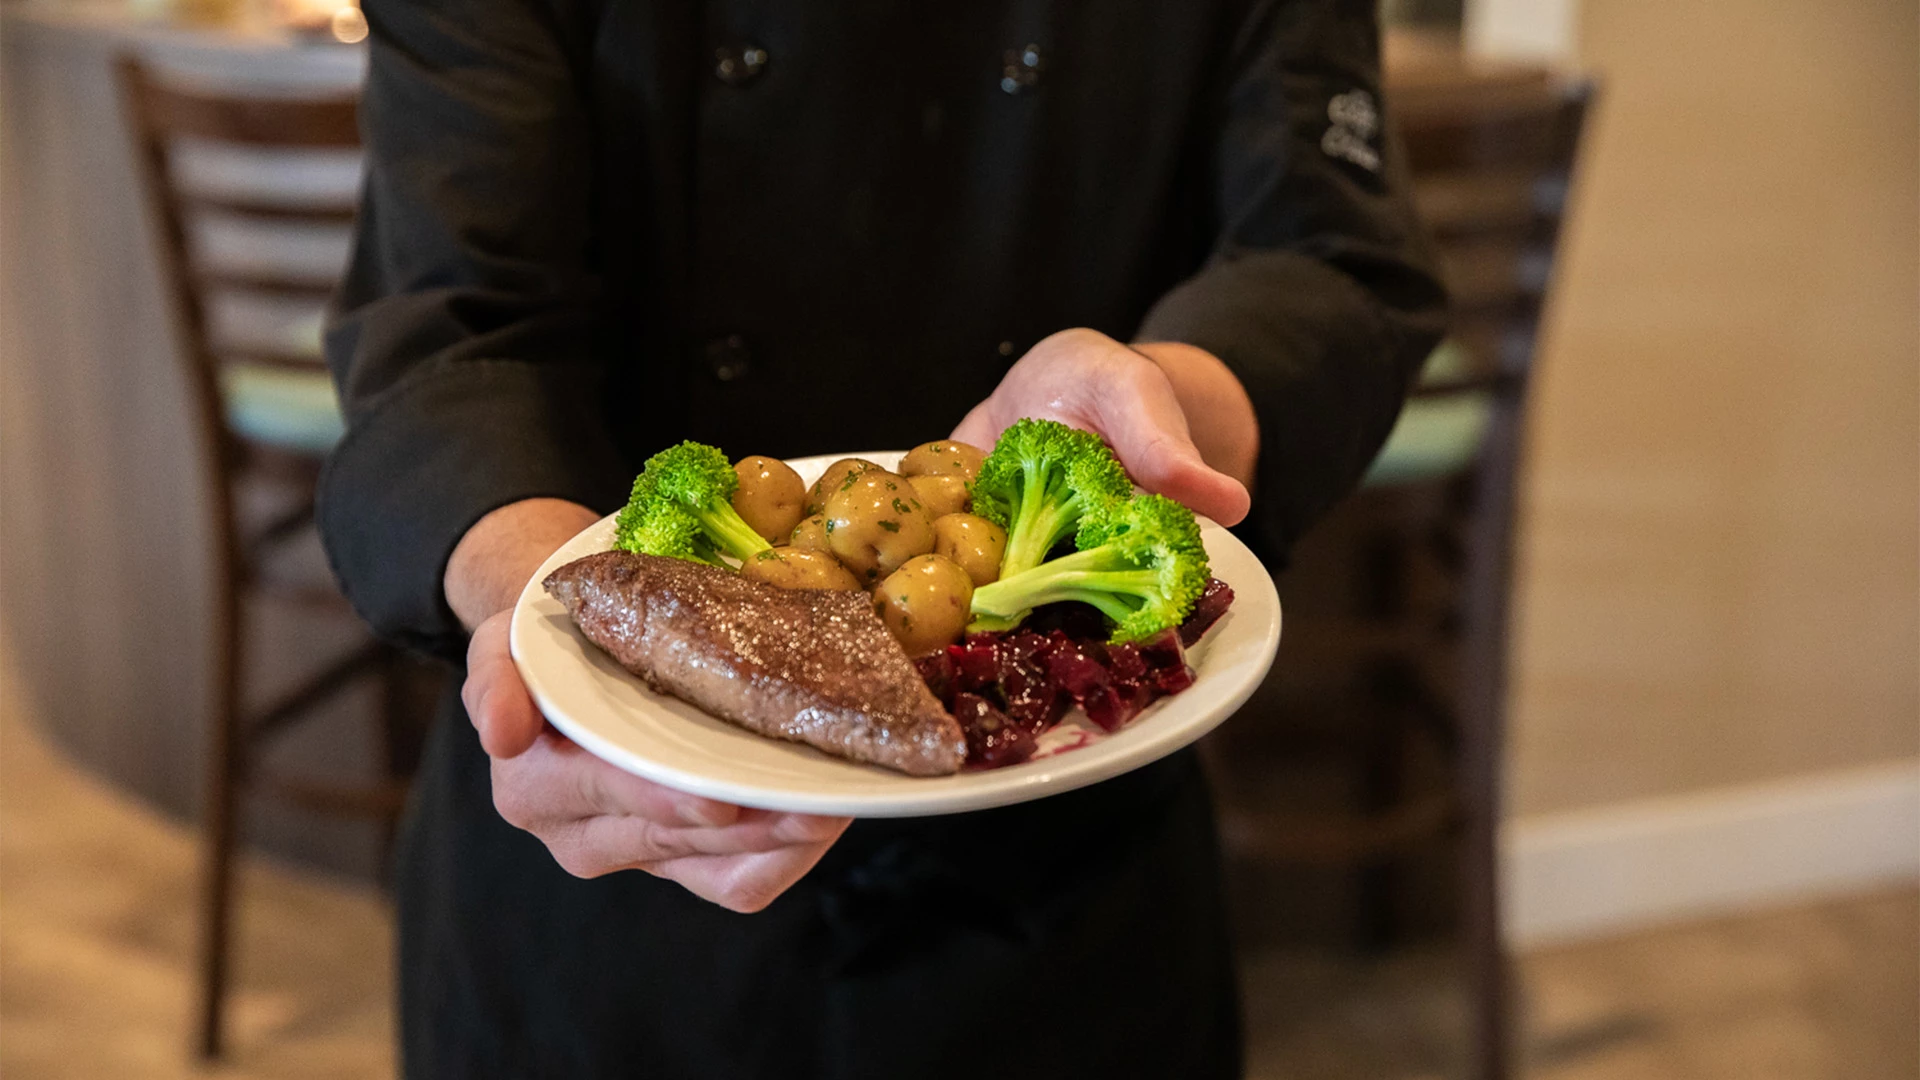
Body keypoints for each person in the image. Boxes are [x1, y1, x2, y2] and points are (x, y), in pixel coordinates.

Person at [318, 0, 1445, 1075]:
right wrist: (572, 624)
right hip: (617, 881)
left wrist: (1149, 417)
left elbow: (1329, 262)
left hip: (1060, 851)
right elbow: (448, 326)